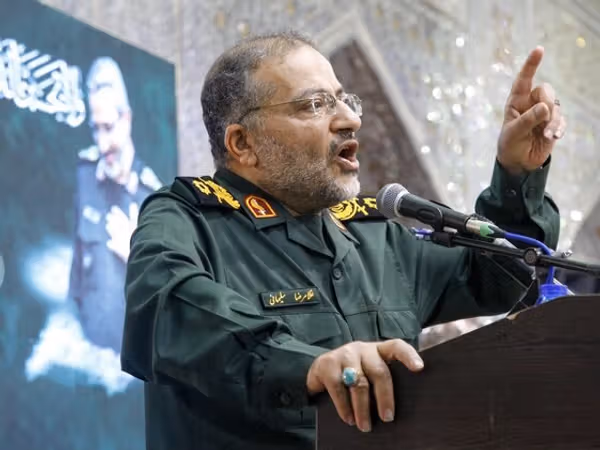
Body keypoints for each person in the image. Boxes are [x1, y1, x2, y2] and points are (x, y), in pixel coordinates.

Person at [121, 32, 565, 450]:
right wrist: (308, 366)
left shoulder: (377, 236)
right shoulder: (189, 218)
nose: (351, 119)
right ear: (243, 143)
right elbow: (167, 311)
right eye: (315, 104)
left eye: (344, 100)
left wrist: (517, 173)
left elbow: (498, 277)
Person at [69, 57, 162, 353]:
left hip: (131, 364)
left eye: (108, 128)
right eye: (95, 129)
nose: (101, 142)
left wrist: (136, 255)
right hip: (87, 353)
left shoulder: (154, 197)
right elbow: (77, 272)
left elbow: (169, 302)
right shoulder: (85, 174)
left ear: (127, 119)